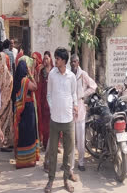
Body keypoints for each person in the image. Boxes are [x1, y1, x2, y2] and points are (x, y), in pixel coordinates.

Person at [45, 48, 78, 193]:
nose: (55, 60)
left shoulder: (71, 76)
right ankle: (50, 180)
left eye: (57, 58)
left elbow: (73, 93)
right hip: (55, 120)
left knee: (68, 152)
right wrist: (53, 109)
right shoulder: (52, 74)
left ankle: (65, 179)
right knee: (52, 151)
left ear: (64, 61)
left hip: (68, 119)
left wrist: (75, 105)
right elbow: (49, 95)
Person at [70, 54, 97, 174]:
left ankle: (81, 162)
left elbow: (93, 86)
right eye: (71, 62)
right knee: (70, 138)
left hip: (80, 107)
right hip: (69, 108)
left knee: (80, 138)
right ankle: (69, 163)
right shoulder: (68, 74)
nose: (73, 63)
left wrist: (83, 94)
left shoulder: (83, 74)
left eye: (75, 61)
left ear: (78, 63)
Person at [13, 60, 39, 169]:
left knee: (22, 134)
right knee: (29, 134)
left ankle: (21, 160)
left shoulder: (16, 81)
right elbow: (35, 87)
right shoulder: (25, 81)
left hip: (19, 110)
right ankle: (28, 160)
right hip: (27, 109)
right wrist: (31, 75)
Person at [0, 51, 14, 151]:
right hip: (5, 102)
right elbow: (9, 86)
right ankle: (5, 143)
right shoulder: (7, 74)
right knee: (6, 123)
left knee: (2, 123)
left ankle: (2, 142)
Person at [39, 51, 54, 150]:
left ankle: (54, 144)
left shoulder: (54, 71)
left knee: (53, 122)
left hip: (53, 99)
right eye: (44, 58)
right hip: (44, 100)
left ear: (50, 59)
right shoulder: (42, 71)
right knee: (45, 123)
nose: (45, 60)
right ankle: (45, 144)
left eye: (47, 58)